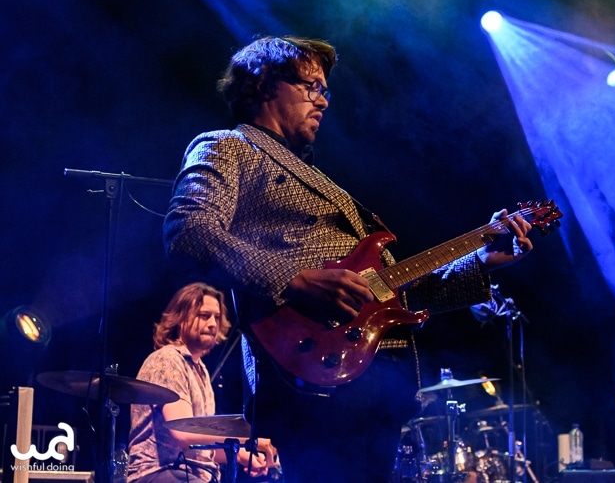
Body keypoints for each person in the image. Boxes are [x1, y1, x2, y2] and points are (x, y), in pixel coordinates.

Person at [162, 35, 538, 482]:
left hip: (374, 376)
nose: (323, 101)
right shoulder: (229, 145)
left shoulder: (322, 182)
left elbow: (390, 291)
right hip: (308, 371)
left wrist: (480, 260)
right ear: (264, 84)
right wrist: (295, 280)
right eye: (312, 87)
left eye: (325, 90)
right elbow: (188, 232)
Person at [127, 282, 279, 483]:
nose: (213, 324)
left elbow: (200, 448)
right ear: (181, 319)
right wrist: (252, 440)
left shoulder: (201, 370)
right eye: (204, 316)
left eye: (217, 317)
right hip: (158, 473)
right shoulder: (167, 360)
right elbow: (183, 433)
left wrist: (242, 455)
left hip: (192, 475)